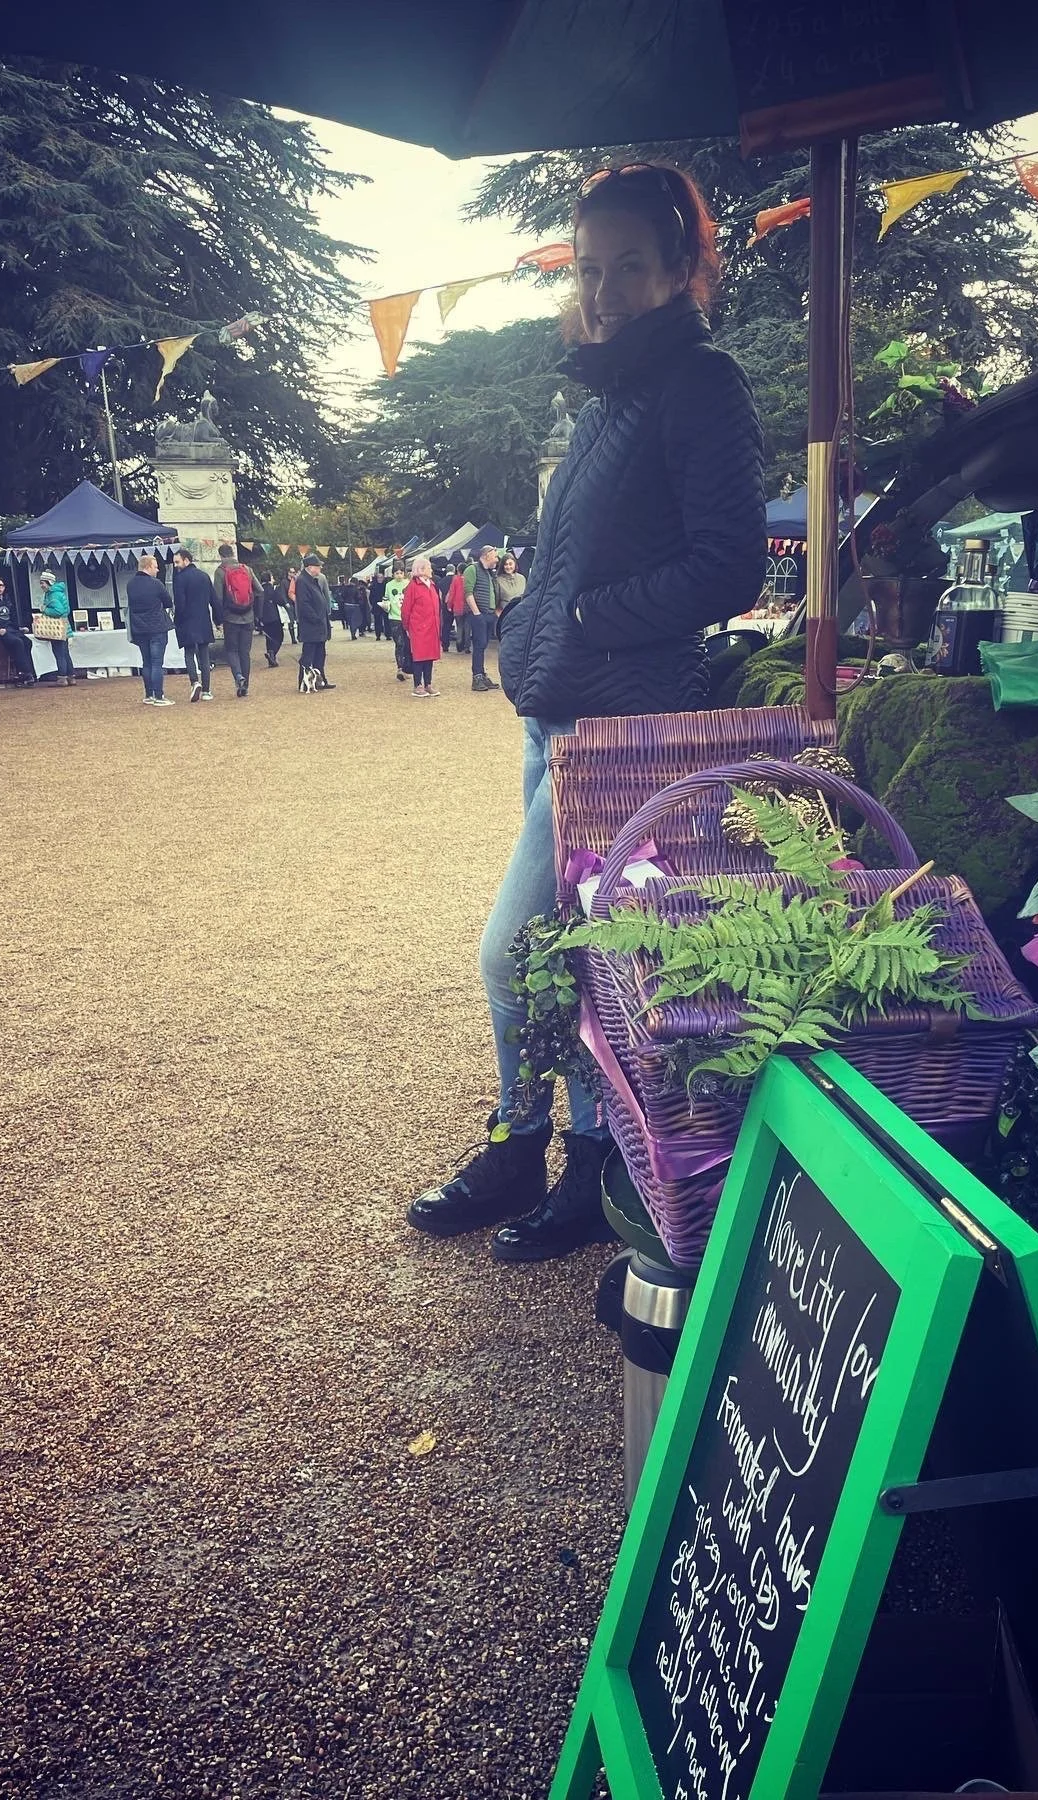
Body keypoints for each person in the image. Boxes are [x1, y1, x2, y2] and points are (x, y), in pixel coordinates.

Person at [407, 160, 765, 1263]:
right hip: (558, 721)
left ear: (681, 272)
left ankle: (584, 1168)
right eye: (590, 265)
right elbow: (574, 565)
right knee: (567, 957)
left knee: (522, 954)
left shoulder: (699, 386)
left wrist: (586, 615)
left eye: (631, 268)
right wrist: (529, 630)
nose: (605, 290)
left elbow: (731, 568)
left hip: (622, 734)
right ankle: (531, 1149)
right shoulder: (612, 396)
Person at [125, 554, 175, 705]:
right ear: (147, 567)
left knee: (146, 662)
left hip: (139, 628)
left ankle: (149, 694)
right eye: (155, 566)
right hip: (156, 627)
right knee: (156, 663)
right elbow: (168, 602)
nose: (157, 569)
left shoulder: (130, 584)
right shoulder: (156, 584)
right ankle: (159, 696)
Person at [171, 549, 217, 701]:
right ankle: (207, 690)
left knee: (189, 653)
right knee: (204, 655)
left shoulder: (180, 579)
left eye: (177, 562)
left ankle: (194, 682)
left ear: (186, 560)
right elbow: (214, 599)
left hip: (186, 620)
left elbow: (180, 603)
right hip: (203, 619)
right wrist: (219, 620)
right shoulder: (204, 576)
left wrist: (177, 620)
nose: (176, 565)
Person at [213, 544, 258, 696]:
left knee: (232, 650)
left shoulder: (220, 572)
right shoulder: (247, 569)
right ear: (233, 553)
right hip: (248, 616)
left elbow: (218, 598)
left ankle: (238, 676)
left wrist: (218, 619)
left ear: (221, 555)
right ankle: (245, 685)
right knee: (245, 652)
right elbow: (260, 591)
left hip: (230, 618)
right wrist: (252, 609)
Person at [0, 576, 36, 685]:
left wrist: (19, 628)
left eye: (1, 585)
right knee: (17, 642)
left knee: (27, 642)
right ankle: (24, 672)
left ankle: (29, 672)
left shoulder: (7, 599)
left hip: (10, 629)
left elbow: (11, 618)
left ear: (4, 587)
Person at [400, 555, 442, 697]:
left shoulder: (432, 584)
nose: (431, 570)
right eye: (429, 567)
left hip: (432, 626)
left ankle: (428, 684)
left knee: (429, 656)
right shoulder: (413, 586)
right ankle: (418, 685)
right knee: (419, 656)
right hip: (418, 627)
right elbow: (406, 609)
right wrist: (406, 627)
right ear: (422, 569)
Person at [295, 554, 335, 691]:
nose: (320, 568)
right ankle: (304, 682)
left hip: (318, 625)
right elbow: (304, 604)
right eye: (318, 566)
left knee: (320, 654)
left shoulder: (312, 580)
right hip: (311, 625)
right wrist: (316, 618)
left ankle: (320, 680)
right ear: (310, 567)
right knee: (308, 655)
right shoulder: (302, 581)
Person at [468, 545, 500, 693]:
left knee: (483, 645)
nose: (497, 558)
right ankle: (477, 676)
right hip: (479, 614)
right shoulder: (472, 569)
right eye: (495, 555)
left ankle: (481, 674)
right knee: (479, 645)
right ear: (487, 555)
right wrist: (477, 614)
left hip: (489, 614)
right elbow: (467, 592)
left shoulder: (489, 573)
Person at [36, 570, 75, 686]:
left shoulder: (52, 595)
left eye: (43, 583)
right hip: (65, 626)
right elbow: (66, 610)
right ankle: (71, 677)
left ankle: (62, 678)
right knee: (65, 653)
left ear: (49, 583)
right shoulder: (59, 593)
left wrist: (44, 610)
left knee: (59, 653)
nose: (41, 585)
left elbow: (59, 611)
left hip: (56, 628)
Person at [383, 563, 411, 681]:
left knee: (408, 644)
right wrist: (386, 606)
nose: (399, 575)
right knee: (399, 643)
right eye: (396, 573)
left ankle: (407, 668)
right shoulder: (389, 585)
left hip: (408, 618)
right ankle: (400, 668)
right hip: (394, 617)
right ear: (393, 574)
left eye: (401, 573)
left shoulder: (409, 583)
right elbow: (386, 598)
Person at [443, 560, 469, 656]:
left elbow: (452, 593)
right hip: (468, 606)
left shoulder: (455, 579)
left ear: (458, 570)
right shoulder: (468, 579)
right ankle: (466, 647)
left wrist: (449, 605)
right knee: (467, 627)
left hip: (457, 606)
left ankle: (459, 644)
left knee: (460, 626)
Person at [260, 573, 285, 668]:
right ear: (269, 579)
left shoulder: (259, 590)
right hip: (274, 617)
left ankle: (271, 655)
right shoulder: (272, 589)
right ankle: (272, 653)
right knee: (279, 637)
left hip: (263, 618)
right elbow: (280, 600)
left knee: (269, 638)